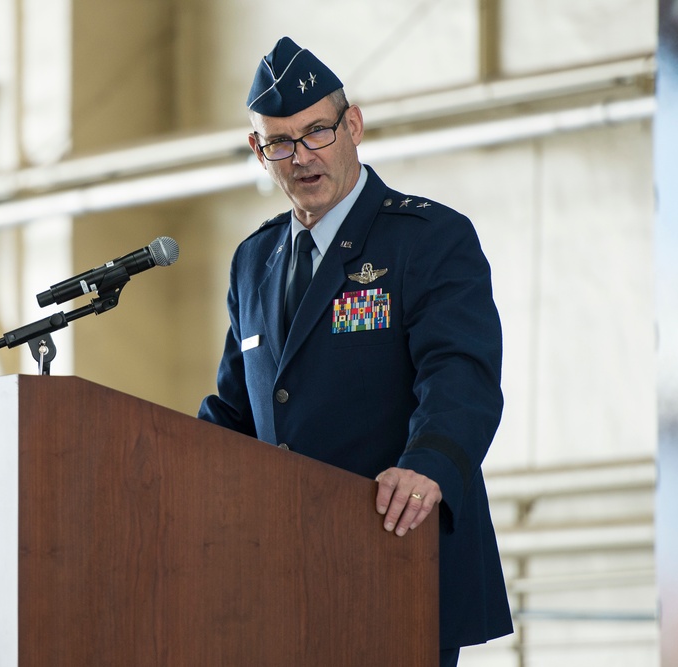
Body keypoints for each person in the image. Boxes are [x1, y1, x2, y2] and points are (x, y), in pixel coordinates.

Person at [198, 36, 513, 666]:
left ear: (354, 126)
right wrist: (169, 474)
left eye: (317, 132)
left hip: (394, 555)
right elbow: (237, 411)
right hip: (279, 578)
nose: (302, 157)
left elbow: (461, 372)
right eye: (280, 142)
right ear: (259, 151)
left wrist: (429, 462)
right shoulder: (253, 261)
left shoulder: (427, 239)